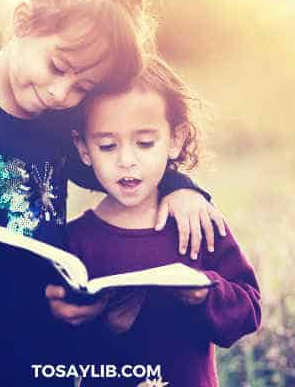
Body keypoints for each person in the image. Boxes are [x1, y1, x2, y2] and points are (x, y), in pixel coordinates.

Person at [0, 0, 226, 386]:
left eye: (82, 88)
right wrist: (36, 302)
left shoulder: (50, 116)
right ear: (25, 21)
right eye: (57, 66)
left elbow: (109, 171)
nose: (62, 93)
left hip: (38, 345)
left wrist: (179, 185)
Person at [51, 56, 261, 386]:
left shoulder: (197, 223)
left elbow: (249, 311)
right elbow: (58, 354)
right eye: (107, 145)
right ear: (83, 148)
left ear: (175, 140)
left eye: (145, 143)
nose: (126, 161)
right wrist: (106, 329)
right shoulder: (75, 241)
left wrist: (205, 294)